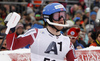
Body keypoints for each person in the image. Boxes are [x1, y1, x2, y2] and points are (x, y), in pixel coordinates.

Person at [6, 3, 78, 61]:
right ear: (48, 18)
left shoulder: (68, 42)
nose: (61, 19)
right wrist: (11, 29)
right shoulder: (35, 34)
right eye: (57, 16)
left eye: (63, 15)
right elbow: (12, 46)